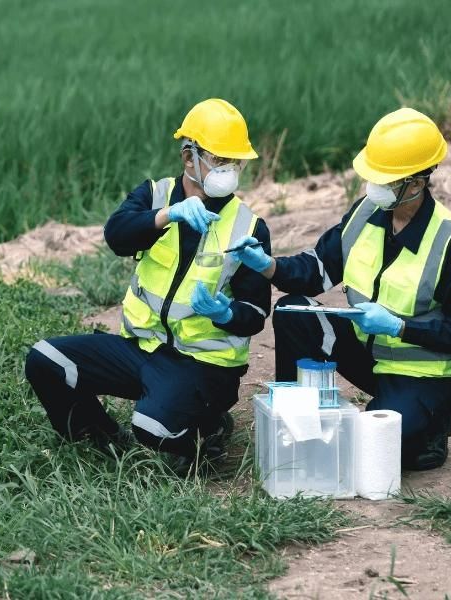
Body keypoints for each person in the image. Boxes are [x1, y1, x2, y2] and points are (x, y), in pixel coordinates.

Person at [228, 107, 451, 470]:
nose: (372, 186)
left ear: (415, 183)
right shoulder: (366, 213)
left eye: (384, 179)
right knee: (292, 311)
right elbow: (317, 270)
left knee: (373, 449)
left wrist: (399, 326)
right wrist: (269, 265)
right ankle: (294, 420)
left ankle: (433, 425)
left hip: (427, 375)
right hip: (373, 359)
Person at [25, 98, 272, 473]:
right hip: (141, 349)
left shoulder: (249, 227)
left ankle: (209, 431)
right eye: (219, 159)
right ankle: (103, 441)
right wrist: (166, 215)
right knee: (46, 360)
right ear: (189, 158)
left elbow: (254, 315)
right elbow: (117, 236)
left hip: (201, 365)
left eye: (235, 162)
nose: (229, 170)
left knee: (153, 428)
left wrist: (226, 313)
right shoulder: (154, 195)